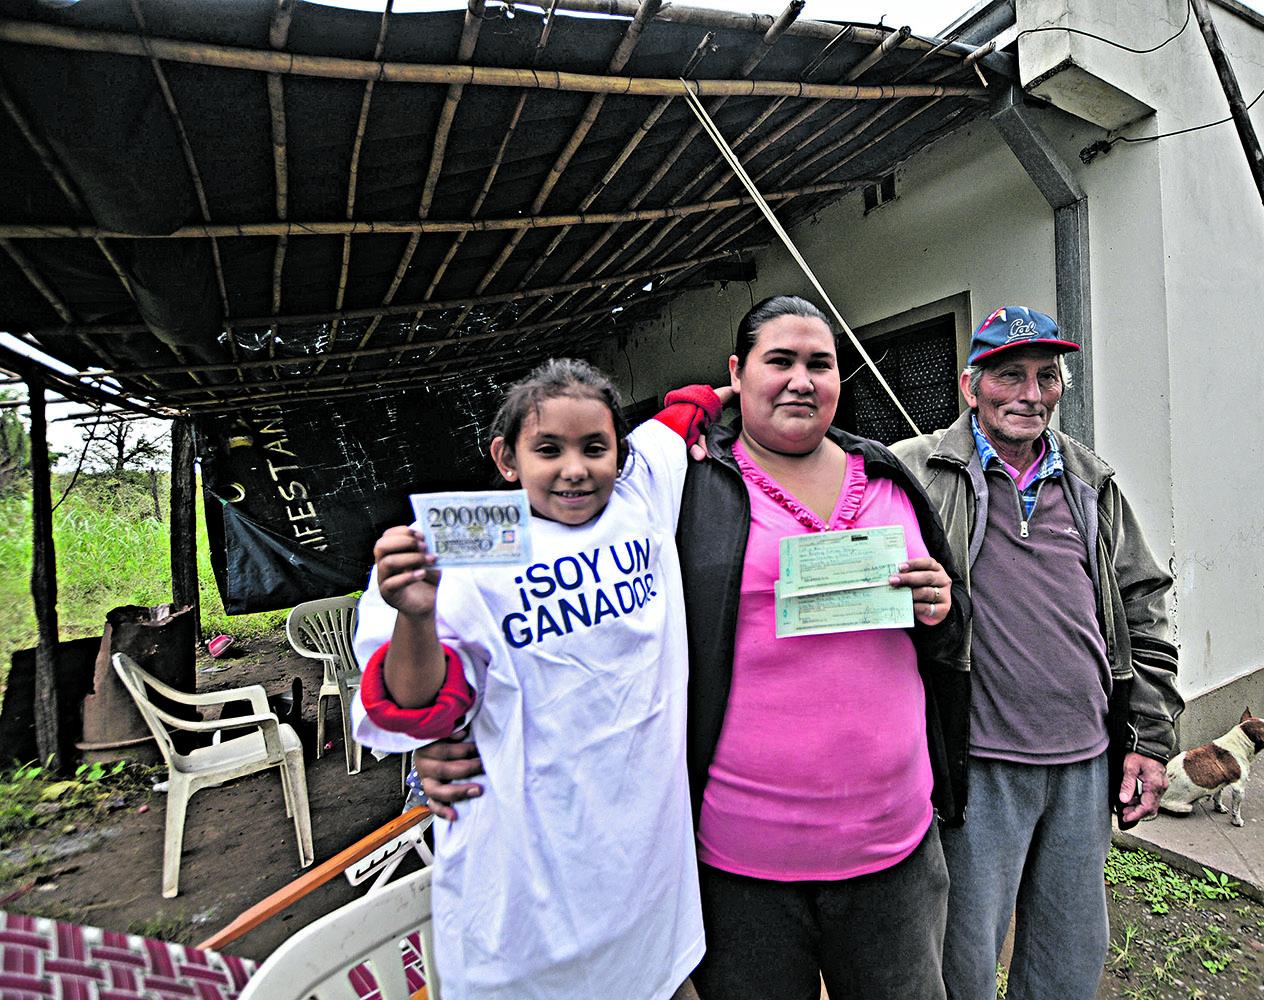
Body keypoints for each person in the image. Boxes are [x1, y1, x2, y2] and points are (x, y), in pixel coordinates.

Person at [415, 296, 971, 1000]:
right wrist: (443, 734)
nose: (801, 379)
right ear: (738, 373)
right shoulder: (679, 487)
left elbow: (949, 634)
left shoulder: (890, 477)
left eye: (820, 364)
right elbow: (512, 576)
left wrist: (941, 606)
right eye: (780, 361)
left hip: (893, 848)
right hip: (741, 862)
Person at [351, 358, 728, 1000]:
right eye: (547, 449)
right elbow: (413, 710)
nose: (575, 468)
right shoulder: (467, 542)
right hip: (528, 905)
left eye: (595, 447)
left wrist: (733, 391)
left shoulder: (638, 497)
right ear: (505, 457)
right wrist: (414, 616)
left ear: (621, 452)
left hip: (648, 889)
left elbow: (684, 413)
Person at [889, 305, 1183, 1000]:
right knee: (961, 956)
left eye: (1046, 376)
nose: (1029, 393)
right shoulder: (915, 470)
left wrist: (1149, 738)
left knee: (1068, 959)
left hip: (1084, 761)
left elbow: (1141, 607)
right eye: (1009, 375)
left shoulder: (1091, 481)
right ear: (970, 387)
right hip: (981, 764)